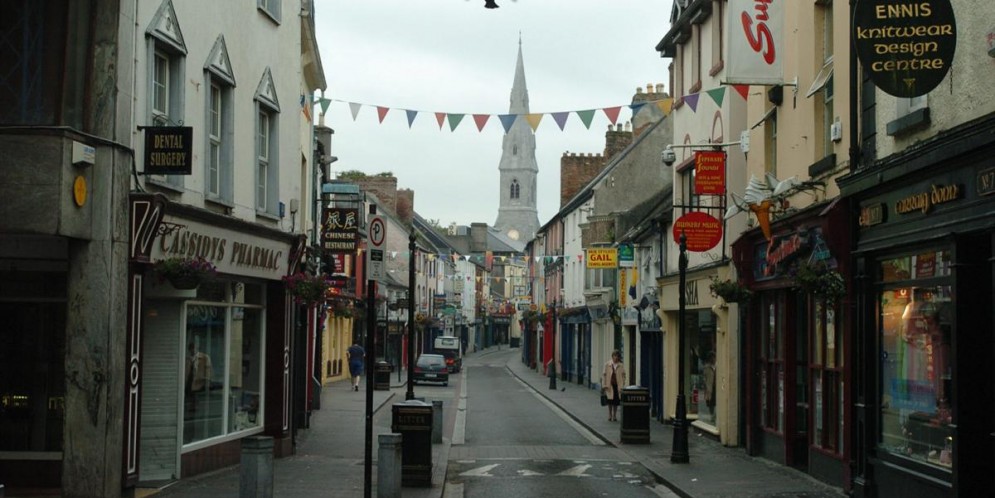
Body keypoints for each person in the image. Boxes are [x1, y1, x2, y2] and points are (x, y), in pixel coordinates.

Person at [601, 350, 626, 422]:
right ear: (612, 356)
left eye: (617, 356)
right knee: (609, 401)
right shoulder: (607, 364)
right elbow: (604, 375)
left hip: (617, 385)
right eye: (615, 356)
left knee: (616, 401)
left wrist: (623, 382)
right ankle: (609, 414)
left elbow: (624, 375)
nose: (616, 357)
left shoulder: (621, 365)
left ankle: (614, 415)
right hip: (609, 385)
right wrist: (604, 385)